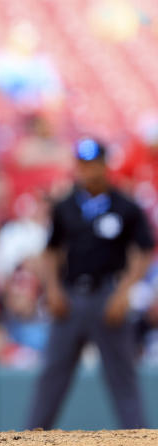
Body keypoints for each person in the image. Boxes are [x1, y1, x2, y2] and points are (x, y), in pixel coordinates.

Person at [27, 138, 155, 429]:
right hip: (71, 298)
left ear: (105, 165)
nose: (87, 170)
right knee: (52, 376)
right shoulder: (65, 206)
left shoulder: (126, 206)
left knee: (123, 378)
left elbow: (143, 251)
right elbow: (50, 251)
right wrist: (53, 290)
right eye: (82, 164)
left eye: (93, 164)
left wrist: (124, 292)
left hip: (108, 296)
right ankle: (30, 441)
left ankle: (139, 443)